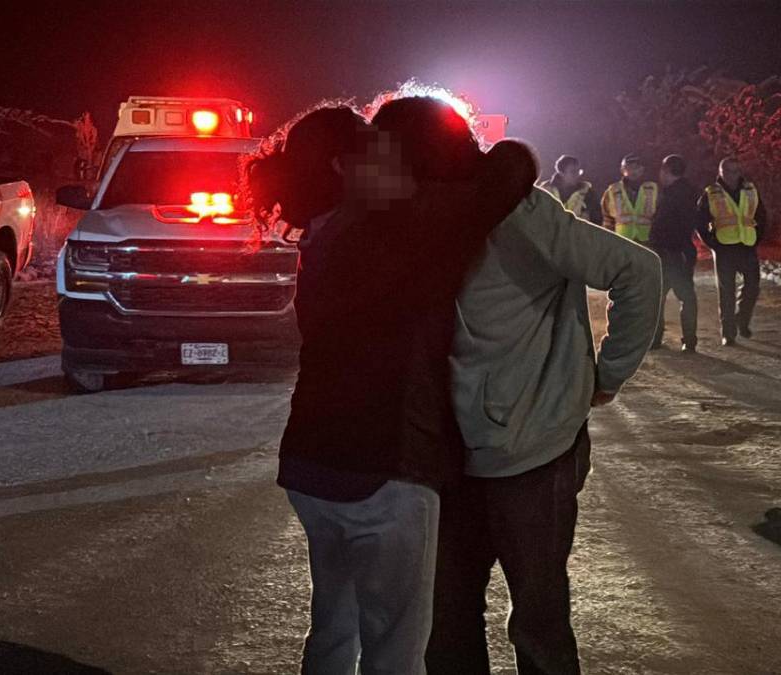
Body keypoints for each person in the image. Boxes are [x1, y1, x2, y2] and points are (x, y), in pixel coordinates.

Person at [245, 98, 536, 675]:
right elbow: (510, 170)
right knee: (396, 651)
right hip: (384, 468)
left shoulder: (321, 235)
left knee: (334, 629)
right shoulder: (395, 228)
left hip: (313, 464)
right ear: (344, 167)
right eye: (378, 147)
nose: (395, 157)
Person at [426, 154, 662, 674]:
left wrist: (608, 375)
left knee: (536, 617)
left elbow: (638, 271)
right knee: (448, 617)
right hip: (444, 453)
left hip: (530, 451)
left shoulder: (519, 216)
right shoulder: (412, 217)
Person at [696, 156, 768, 345]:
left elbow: (761, 215)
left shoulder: (750, 189)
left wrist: (757, 237)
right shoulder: (711, 193)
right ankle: (728, 334)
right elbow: (700, 221)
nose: (732, 175)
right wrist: (712, 243)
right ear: (720, 172)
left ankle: (742, 319)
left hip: (747, 245)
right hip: (724, 247)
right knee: (726, 292)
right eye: (727, 171)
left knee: (753, 287)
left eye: (735, 171)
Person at [647, 154, 700, 352]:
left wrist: (655, 241)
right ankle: (688, 340)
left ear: (666, 171)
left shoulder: (674, 195)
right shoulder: (686, 192)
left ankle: (657, 339)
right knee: (684, 296)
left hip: (671, 252)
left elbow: (666, 224)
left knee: (660, 296)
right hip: (680, 251)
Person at [600, 153, 659, 243]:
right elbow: (606, 219)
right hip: (621, 242)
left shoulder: (652, 189)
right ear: (622, 170)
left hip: (647, 242)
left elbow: (659, 217)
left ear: (642, 169)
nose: (633, 171)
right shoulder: (612, 190)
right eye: (629, 167)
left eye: (636, 167)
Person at [539, 154, 601, 223]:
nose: (577, 175)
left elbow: (597, 220)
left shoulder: (588, 193)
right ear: (561, 173)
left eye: (578, 171)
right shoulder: (545, 191)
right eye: (573, 172)